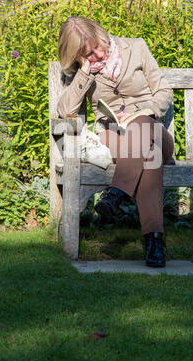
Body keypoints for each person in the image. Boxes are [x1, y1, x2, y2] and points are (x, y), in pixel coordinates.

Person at [57, 16, 174, 268]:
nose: (98, 54)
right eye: (88, 54)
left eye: (97, 47)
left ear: (100, 32)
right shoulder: (84, 71)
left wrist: (144, 112)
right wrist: (85, 71)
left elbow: (164, 92)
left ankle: (116, 193)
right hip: (115, 136)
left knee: (144, 129)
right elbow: (65, 110)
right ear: (77, 55)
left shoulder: (137, 47)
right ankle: (154, 241)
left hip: (154, 131)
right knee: (149, 157)